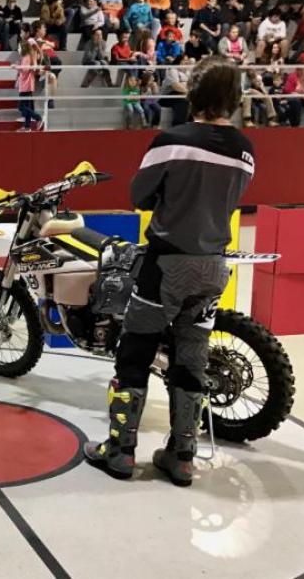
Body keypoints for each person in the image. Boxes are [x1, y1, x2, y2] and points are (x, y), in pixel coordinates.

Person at [85, 56, 252, 488]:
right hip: (213, 266)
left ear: (192, 93)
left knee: (135, 354)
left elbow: (139, 196)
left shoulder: (170, 141)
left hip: (165, 265)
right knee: (190, 361)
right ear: (233, 99)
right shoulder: (246, 150)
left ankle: (120, 451)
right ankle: (181, 456)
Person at [16, 39, 44, 131]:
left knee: (21, 107)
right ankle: (27, 126)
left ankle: (38, 118)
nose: (18, 49)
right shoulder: (25, 57)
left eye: (19, 47)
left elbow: (25, 70)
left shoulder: (27, 57)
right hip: (25, 85)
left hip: (26, 86)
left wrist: (16, 67)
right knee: (27, 106)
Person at [159, 53, 192, 126]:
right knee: (183, 100)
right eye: (184, 60)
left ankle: (192, 124)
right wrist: (188, 92)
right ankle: (178, 125)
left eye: (187, 60)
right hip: (168, 97)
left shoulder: (188, 72)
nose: (186, 62)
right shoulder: (172, 70)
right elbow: (175, 86)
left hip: (184, 94)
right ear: (179, 61)